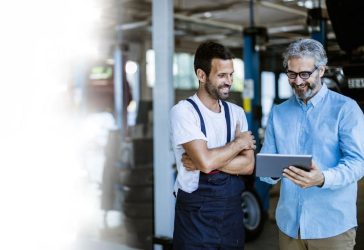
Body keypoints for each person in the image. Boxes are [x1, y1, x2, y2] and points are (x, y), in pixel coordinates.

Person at [260, 38, 364, 250]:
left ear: (321, 70)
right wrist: (270, 171)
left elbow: (358, 163)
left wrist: (323, 178)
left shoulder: (346, 109)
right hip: (289, 227)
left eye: (304, 74)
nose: (297, 81)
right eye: (291, 74)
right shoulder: (279, 113)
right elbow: (266, 168)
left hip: (331, 228)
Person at [170, 41, 256, 249]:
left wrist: (204, 160)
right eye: (221, 76)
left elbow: (248, 166)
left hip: (232, 215)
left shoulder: (236, 113)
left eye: (231, 74)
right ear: (201, 75)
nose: (229, 81)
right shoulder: (184, 112)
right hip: (195, 219)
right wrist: (238, 144)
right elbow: (206, 163)